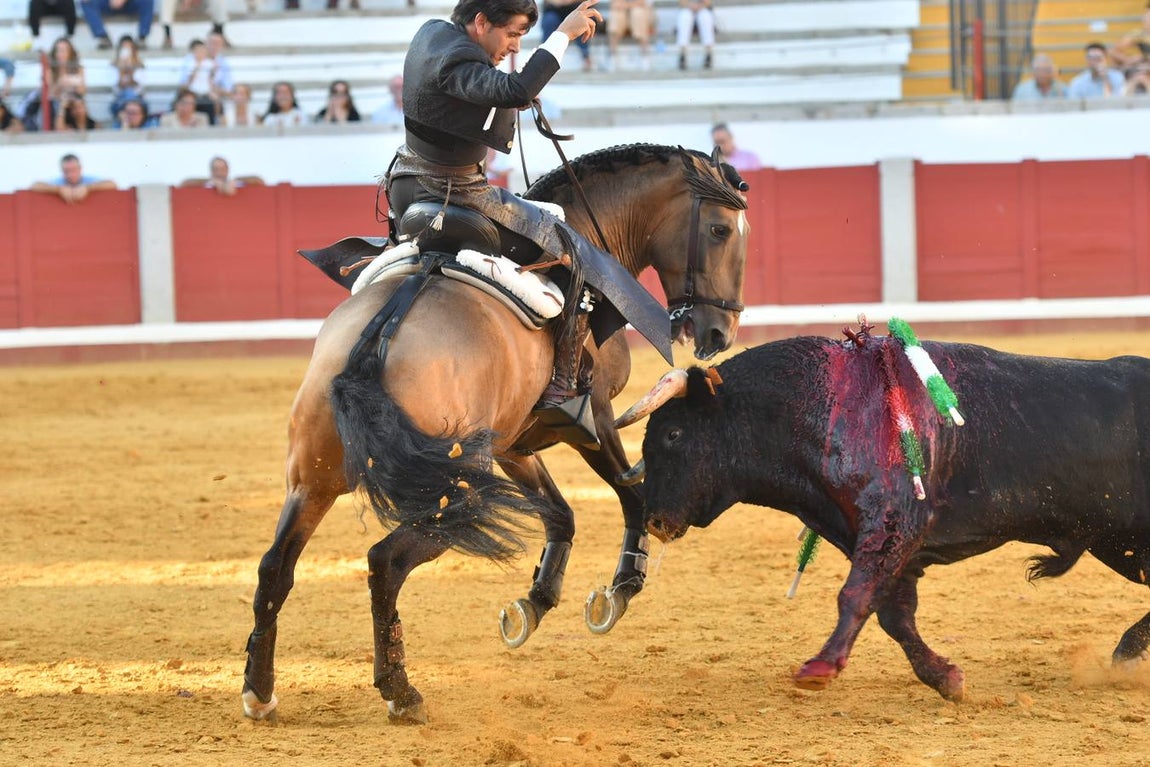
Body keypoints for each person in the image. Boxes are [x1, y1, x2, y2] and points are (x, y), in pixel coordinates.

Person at [385, 0, 672, 432]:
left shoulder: (433, 35)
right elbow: (512, 91)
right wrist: (563, 35)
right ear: (481, 22)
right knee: (570, 248)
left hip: (405, 186)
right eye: (513, 34)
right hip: (455, 195)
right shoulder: (459, 58)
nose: (515, 46)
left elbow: (490, 91)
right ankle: (562, 389)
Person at [30, 153, 116, 203]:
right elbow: (34, 185)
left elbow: (112, 184)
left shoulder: (88, 180)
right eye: (66, 171)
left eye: (73, 170)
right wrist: (59, 190)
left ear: (80, 169)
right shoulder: (59, 182)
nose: (70, 175)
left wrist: (88, 188)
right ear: (62, 171)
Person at [177, 38, 225, 124]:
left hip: (206, 92)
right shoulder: (190, 63)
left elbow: (211, 80)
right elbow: (187, 81)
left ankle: (214, 123)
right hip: (192, 92)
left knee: (216, 103)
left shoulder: (209, 63)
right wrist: (198, 66)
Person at [78, 0, 156, 50]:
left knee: (148, 1)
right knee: (86, 2)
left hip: (130, 4)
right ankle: (103, 37)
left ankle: (142, 37)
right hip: (107, 3)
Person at [543, 0, 592, 71]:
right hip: (555, 10)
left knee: (580, 21)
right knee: (549, 20)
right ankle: (545, 56)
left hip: (575, 9)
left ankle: (586, 56)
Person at [160, 0, 230, 50]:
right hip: (181, 3)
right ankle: (168, 36)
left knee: (220, 1)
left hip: (201, 2)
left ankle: (219, 33)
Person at [180, 156, 265, 195]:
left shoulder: (237, 183)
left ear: (227, 170)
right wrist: (211, 181)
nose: (219, 173)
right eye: (216, 169)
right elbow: (185, 183)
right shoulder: (207, 184)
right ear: (211, 171)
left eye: (222, 169)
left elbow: (259, 181)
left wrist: (237, 179)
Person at [607, 0, 653, 71]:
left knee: (638, 14)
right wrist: (631, 5)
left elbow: (643, 3)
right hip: (624, 13)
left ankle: (645, 54)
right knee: (616, 15)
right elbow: (615, 4)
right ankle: (612, 55)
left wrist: (625, 5)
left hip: (640, 14)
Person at [109, 34, 146, 120]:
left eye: (129, 48)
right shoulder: (112, 67)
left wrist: (131, 69)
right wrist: (121, 70)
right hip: (119, 100)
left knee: (130, 93)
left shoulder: (141, 66)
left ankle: (126, 121)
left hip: (138, 101)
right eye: (124, 49)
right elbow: (116, 89)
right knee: (127, 93)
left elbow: (140, 88)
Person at [1110, 4, 1150, 73]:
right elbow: (1113, 51)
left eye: (1148, 16)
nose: (1144, 19)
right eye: (1145, 15)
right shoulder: (1138, 34)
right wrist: (1128, 60)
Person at [676, 0, 714, 70]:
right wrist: (691, 6)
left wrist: (698, 7)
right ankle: (683, 54)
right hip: (687, 9)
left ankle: (708, 54)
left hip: (702, 8)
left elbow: (708, 2)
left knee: (705, 16)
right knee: (684, 16)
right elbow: (681, 2)